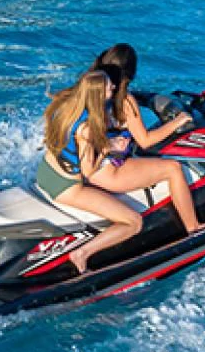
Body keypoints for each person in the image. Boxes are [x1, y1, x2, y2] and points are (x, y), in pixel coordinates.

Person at [86, 44, 205, 239]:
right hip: (107, 171)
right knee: (173, 168)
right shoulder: (124, 100)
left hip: (88, 164)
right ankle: (193, 227)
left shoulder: (91, 87)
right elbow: (145, 141)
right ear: (131, 71)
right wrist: (177, 122)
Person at [39, 70, 145, 274]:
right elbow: (88, 170)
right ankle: (82, 254)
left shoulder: (66, 106)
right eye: (108, 86)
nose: (113, 87)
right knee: (133, 221)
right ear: (97, 94)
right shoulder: (86, 128)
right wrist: (108, 148)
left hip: (46, 172)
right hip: (67, 186)